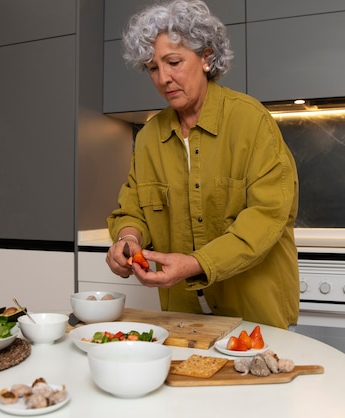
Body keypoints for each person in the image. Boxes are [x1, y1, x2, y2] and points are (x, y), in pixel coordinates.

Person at [105, 0, 299, 329]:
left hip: (254, 315)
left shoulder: (251, 122)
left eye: (174, 62)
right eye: (153, 68)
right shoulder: (150, 136)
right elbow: (133, 208)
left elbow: (266, 217)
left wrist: (197, 263)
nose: (164, 78)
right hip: (182, 317)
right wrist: (128, 239)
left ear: (206, 58)